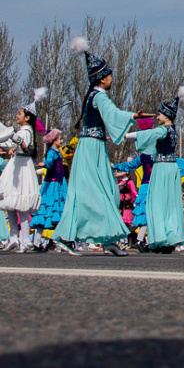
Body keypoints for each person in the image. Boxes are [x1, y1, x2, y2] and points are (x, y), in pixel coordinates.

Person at [54, 38, 154, 256]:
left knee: (108, 190)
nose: (112, 78)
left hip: (94, 147)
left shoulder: (95, 95)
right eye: (109, 75)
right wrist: (134, 116)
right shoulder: (99, 96)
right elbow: (113, 114)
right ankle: (66, 237)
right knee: (91, 192)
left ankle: (107, 239)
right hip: (91, 148)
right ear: (101, 78)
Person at [124, 88, 184, 253]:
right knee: (171, 204)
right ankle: (170, 237)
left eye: (159, 114)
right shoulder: (175, 131)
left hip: (161, 169)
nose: (157, 117)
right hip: (171, 168)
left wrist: (125, 135)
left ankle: (160, 238)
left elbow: (146, 135)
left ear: (166, 115)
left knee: (157, 203)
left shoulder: (163, 130)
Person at [0, 89, 44, 253]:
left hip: (22, 168)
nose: (16, 115)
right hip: (16, 165)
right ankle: (14, 238)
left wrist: (12, 137)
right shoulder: (21, 131)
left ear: (27, 118)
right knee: (11, 204)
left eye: (19, 113)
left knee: (21, 205)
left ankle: (25, 240)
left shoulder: (25, 132)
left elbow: (21, 143)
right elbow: (12, 144)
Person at [32, 128, 72, 253]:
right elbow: (49, 162)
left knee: (57, 212)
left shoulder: (58, 152)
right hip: (52, 185)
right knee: (46, 211)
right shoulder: (52, 152)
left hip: (59, 184)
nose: (62, 141)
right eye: (60, 139)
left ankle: (54, 240)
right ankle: (37, 242)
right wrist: (44, 164)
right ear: (54, 140)